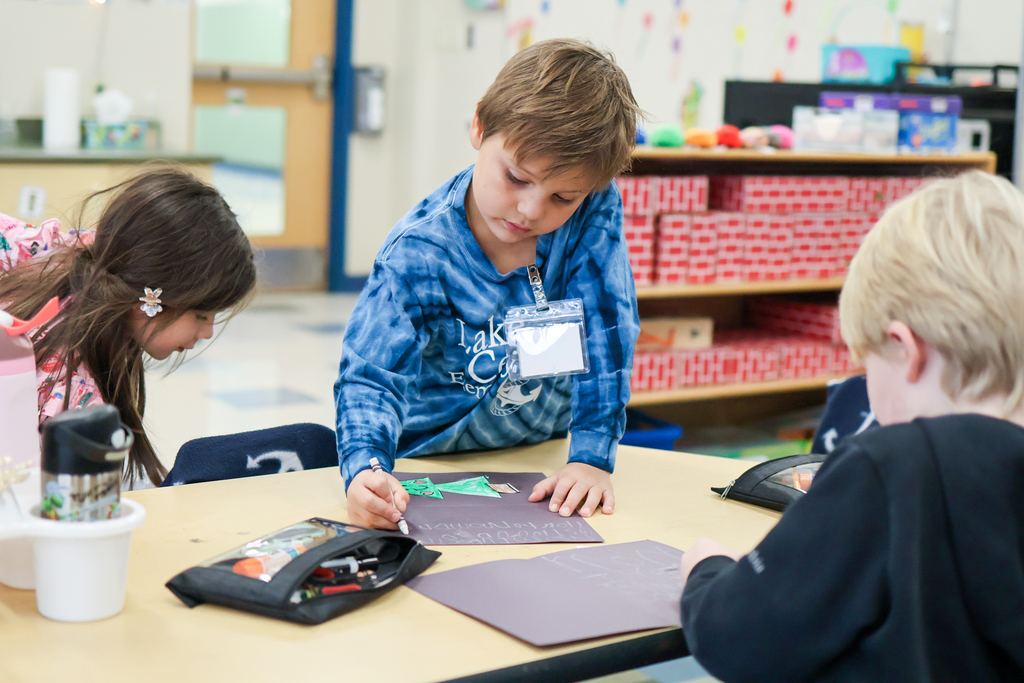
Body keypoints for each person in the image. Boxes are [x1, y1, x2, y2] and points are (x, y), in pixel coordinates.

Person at [678, 170, 1024, 682]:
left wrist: (706, 573)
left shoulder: (895, 464)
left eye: (868, 368)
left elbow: (740, 638)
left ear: (906, 351)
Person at [336, 38, 643, 530]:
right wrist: (365, 468)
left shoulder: (593, 209)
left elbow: (609, 331)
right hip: (430, 460)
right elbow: (371, 374)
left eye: (562, 197)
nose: (531, 211)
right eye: (517, 178)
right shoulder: (419, 251)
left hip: (541, 456)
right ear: (479, 126)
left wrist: (590, 455)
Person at [0, 167, 257, 488]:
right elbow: (52, 503)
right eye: (201, 315)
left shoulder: (76, 253)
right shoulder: (76, 393)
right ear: (152, 295)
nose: (206, 333)